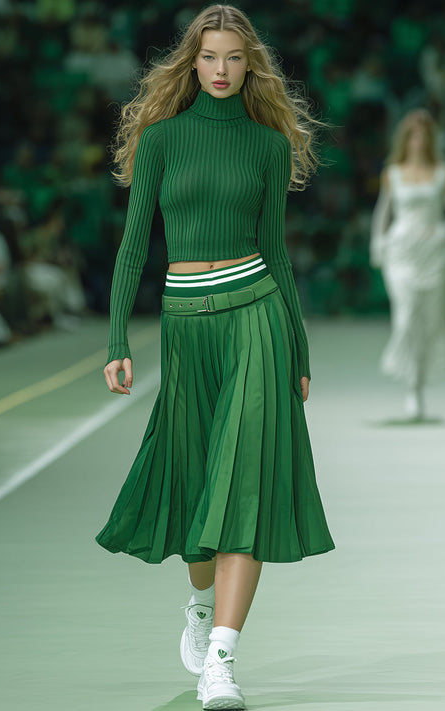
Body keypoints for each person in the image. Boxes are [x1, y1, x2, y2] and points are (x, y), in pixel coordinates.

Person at [96, 5, 335, 709]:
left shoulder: (267, 146)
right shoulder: (161, 139)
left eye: (233, 57)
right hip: (184, 326)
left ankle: (222, 661)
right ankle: (200, 605)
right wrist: (116, 340)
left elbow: (277, 253)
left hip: (256, 316)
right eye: (209, 56)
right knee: (198, 485)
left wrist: (297, 347)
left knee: (243, 484)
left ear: (249, 63)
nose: (221, 69)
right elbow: (134, 246)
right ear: (192, 62)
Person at [370, 109, 445, 420]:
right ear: (405, 139)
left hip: (433, 253)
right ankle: (401, 368)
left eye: (424, 136)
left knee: (429, 320)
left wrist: (443, 232)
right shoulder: (393, 173)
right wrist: (378, 245)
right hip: (401, 251)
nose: (418, 142)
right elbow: (383, 213)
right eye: (413, 136)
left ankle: (416, 386)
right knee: (406, 312)